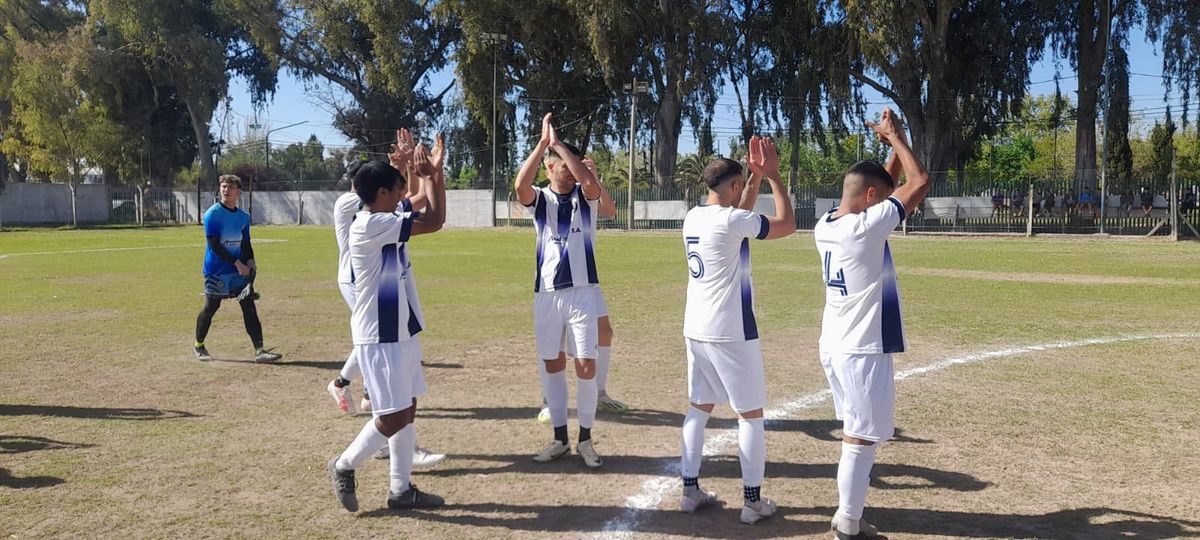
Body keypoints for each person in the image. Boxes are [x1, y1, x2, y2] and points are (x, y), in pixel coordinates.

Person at [814, 107, 931, 540]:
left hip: (836, 343)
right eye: (881, 200)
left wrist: (890, 144)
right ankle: (848, 522)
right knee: (860, 440)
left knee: (858, 433)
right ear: (869, 201)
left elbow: (875, 185)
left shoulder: (826, 223)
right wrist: (898, 140)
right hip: (861, 349)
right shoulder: (864, 229)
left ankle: (850, 515)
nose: (889, 207)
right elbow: (920, 183)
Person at [677, 137, 795, 525]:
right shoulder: (730, 220)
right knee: (751, 416)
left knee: (698, 409)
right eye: (740, 183)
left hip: (696, 327)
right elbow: (787, 225)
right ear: (730, 187)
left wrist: (755, 177)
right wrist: (774, 175)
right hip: (731, 330)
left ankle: (690, 490)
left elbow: (737, 219)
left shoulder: (694, 217)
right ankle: (752, 501)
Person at [327, 149, 446, 513]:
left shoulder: (383, 215)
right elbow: (436, 219)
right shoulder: (371, 224)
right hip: (380, 334)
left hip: (399, 330)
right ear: (380, 194)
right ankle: (344, 464)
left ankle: (401, 490)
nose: (401, 198)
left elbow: (420, 203)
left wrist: (430, 173)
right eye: (395, 191)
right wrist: (430, 176)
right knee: (392, 416)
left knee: (407, 409)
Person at [514, 113, 608, 468]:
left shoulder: (587, 199)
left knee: (586, 366)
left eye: (570, 165)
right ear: (548, 169)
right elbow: (519, 185)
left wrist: (560, 147)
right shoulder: (539, 200)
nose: (567, 171)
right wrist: (542, 146)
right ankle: (558, 438)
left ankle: (585, 439)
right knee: (552, 364)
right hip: (548, 295)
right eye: (559, 166)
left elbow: (591, 183)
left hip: (583, 293)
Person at [535, 156, 629, 424]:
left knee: (605, 332)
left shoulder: (586, 193)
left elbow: (611, 210)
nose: (571, 171)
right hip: (555, 282)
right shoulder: (547, 197)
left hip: (587, 280)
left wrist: (594, 175)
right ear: (552, 168)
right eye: (566, 165)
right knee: (556, 344)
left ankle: (599, 392)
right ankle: (547, 401)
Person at [193, 174, 282, 363]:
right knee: (211, 307)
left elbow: (246, 244)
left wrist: (250, 260)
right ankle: (199, 345)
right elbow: (214, 246)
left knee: (248, 306)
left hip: (238, 275)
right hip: (217, 273)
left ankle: (260, 351)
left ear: (238, 192)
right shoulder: (213, 214)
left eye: (230, 187)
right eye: (223, 186)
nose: (226, 190)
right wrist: (237, 263)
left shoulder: (243, 217)